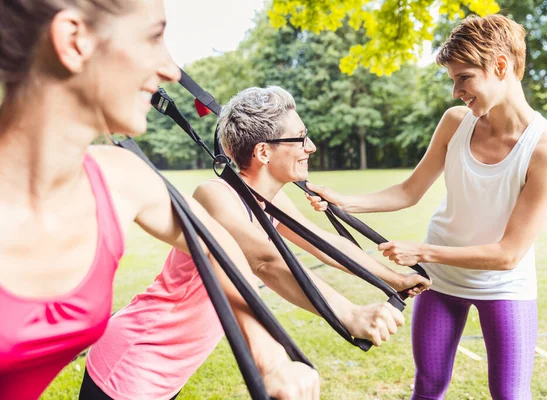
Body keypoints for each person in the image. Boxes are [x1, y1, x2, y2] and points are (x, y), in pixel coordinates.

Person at [0, 1, 318, 399]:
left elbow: (217, 245)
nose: (170, 70)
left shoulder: (123, 176)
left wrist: (270, 360)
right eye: (153, 37)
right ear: (74, 40)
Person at [81, 86, 431, 399]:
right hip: (137, 357)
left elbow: (324, 242)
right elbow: (264, 260)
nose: (311, 146)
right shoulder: (215, 196)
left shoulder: (270, 202)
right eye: (300, 138)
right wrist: (349, 313)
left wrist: (395, 278)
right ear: (264, 152)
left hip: (171, 364)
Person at [306, 14, 547, 400]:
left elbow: (509, 255)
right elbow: (409, 191)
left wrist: (422, 251)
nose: (455, 92)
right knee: (428, 387)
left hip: (504, 287)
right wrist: (344, 201)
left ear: (500, 67)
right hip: (439, 283)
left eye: (463, 78)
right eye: (453, 80)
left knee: (511, 394)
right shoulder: (455, 123)